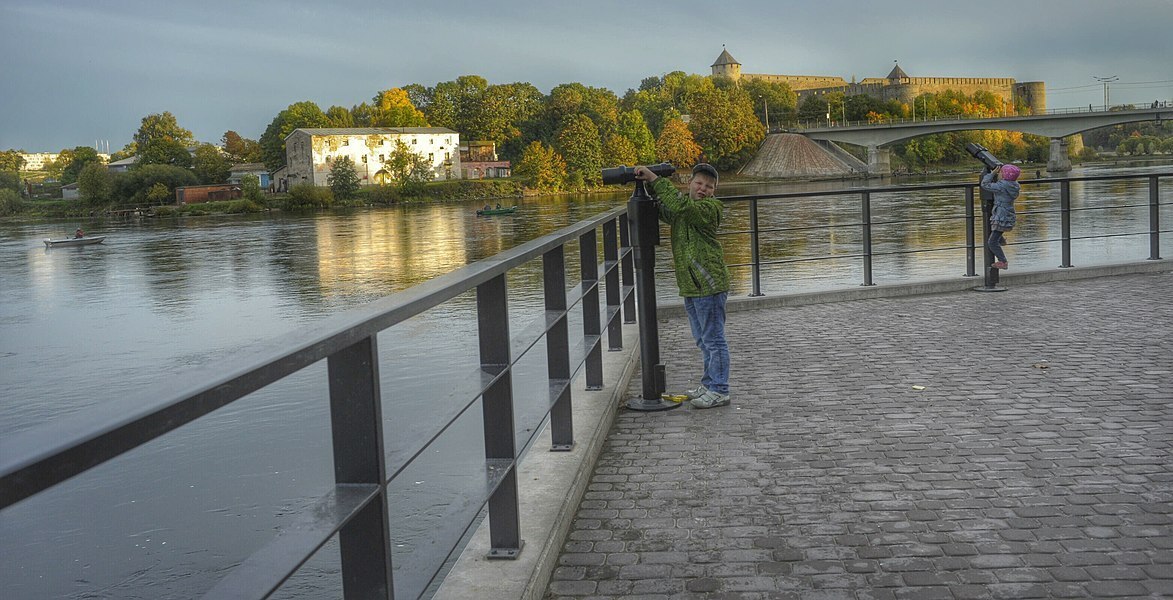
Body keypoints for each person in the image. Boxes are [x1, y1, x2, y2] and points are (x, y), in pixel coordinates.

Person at [634, 163, 731, 409]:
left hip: (709, 285)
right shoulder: (684, 211)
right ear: (690, 183)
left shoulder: (711, 209)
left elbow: (679, 205)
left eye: (709, 187)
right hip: (691, 286)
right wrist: (647, 189)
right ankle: (709, 384)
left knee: (714, 340)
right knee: (703, 340)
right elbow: (668, 210)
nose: (703, 189)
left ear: (714, 192)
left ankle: (720, 389)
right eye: (699, 183)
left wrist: (655, 179)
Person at [981, 164, 1021, 269]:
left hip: (1001, 216)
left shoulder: (1001, 186)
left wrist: (992, 173)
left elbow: (985, 184)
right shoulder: (1014, 185)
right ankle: (1001, 239)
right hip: (1008, 214)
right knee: (996, 232)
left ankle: (1003, 261)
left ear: (1004, 175)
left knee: (991, 242)